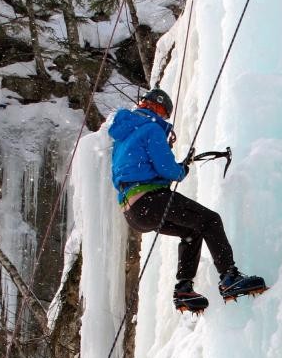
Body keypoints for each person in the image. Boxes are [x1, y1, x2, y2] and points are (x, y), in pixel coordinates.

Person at [109, 87, 266, 313]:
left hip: (133, 212)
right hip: (150, 199)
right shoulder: (151, 129)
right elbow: (168, 169)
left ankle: (184, 289)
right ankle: (229, 276)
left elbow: (134, 167)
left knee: (192, 232)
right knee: (210, 220)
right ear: (159, 108)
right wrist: (181, 170)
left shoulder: (123, 135)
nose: (163, 118)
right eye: (163, 113)